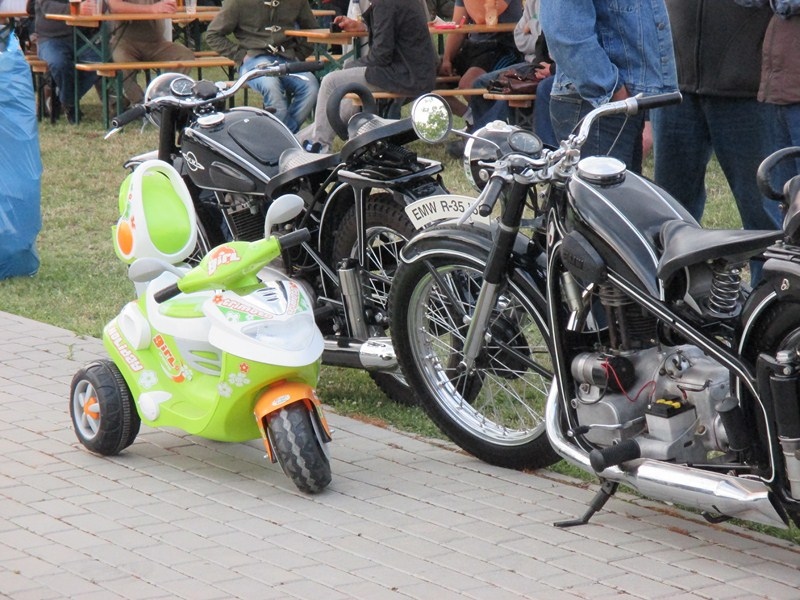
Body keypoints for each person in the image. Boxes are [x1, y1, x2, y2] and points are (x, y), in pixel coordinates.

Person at [650, 0, 779, 232]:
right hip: (674, 85)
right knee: (670, 215)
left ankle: (770, 258)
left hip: (748, 89)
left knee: (764, 213)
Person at [539, 0, 677, 173]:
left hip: (613, 100)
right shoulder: (610, 93)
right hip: (596, 101)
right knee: (601, 189)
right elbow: (564, 31)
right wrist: (611, 89)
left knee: (622, 189)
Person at [297, 0, 437, 153]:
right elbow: (392, 31)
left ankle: (319, 146)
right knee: (349, 101)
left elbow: (381, 56)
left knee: (330, 81)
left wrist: (351, 66)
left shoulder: (384, 4)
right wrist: (363, 26)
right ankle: (299, 140)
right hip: (417, 73)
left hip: (404, 75)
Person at [205, 0, 319, 133]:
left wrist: (299, 54)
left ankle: (281, 135)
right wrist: (240, 55)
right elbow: (213, 35)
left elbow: (313, 30)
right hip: (254, 59)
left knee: (311, 86)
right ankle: (284, 136)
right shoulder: (237, 2)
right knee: (271, 85)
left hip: (287, 58)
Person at [439, 0, 522, 123]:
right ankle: (472, 119)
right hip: (473, 46)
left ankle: (492, 125)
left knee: (470, 84)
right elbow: (458, 26)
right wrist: (447, 59)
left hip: (502, 46)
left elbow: (482, 17)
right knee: (428, 79)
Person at [106, 0, 195, 105]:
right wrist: (153, 9)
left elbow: (169, 5)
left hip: (156, 43)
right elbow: (115, 6)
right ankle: (140, 103)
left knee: (184, 55)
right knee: (121, 62)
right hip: (125, 42)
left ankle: (164, 98)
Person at [34, 0, 101, 123]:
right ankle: (69, 104)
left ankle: (64, 99)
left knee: (100, 62)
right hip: (50, 38)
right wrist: (76, 9)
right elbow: (48, 6)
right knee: (59, 63)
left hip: (83, 38)